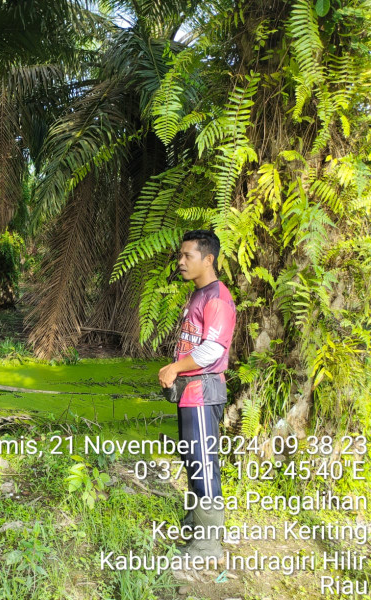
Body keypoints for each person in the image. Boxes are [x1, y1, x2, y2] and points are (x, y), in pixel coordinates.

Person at [158, 230, 236, 560]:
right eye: (180, 255)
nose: (180, 261)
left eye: (188, 256)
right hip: (191, 392)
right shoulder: (198, 295)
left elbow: (213, 349)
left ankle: (208, 545)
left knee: (204, 464)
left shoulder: (217, 297)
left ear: (208, 259)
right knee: (194, 459)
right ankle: (197, 521)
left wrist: (175, 368)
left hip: (204, 391)